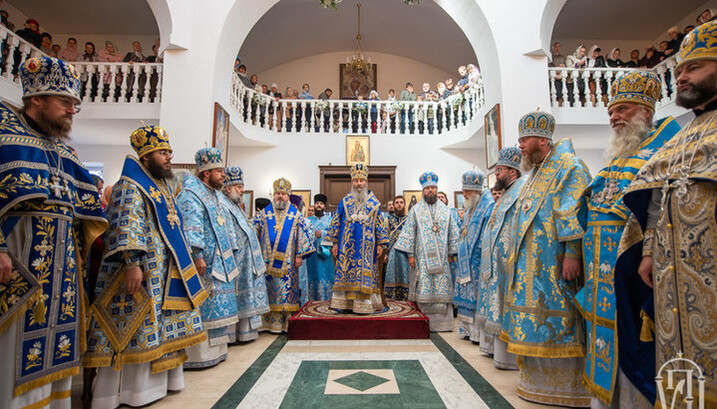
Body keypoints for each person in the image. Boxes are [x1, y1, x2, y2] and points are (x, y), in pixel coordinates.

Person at [617, 21, 717, 409]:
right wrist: (648, 252)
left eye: (694, 68)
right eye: (679, 72)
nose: (683, 77)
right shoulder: (685, 134)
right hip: (675, 283)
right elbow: (657, 201)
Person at [0, 56, 106, 409]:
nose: (72, 110)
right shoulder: (5, 136)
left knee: (58, 350)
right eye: (65, 103)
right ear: (36, 100)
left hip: (62, 276)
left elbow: (85, 214)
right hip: (19, 269)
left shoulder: (63, 151)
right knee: (13, 350)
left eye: (75, 104)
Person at [574, 72, 680, 409]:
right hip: (601, 274)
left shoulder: (663, 151)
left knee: (634, 338)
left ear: (646, 112)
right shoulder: (615, 159)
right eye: (611, 112)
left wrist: (649, 251)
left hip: (635, 267)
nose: (614, 117)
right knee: (607, 337)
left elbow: (660, 208)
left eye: (622, 109)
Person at [85, 126, 208, 408]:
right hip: (141, 270)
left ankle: (159, 385)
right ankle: (129, 391)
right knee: (139, 326)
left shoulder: (160, 185)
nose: (169, 157)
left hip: (162, 270)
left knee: (159, 326)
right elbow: (126, 224)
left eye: (169, 152)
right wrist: (132, 263)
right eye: (163, 152)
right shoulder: (131, 184)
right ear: (145, 156)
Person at [501, 111, 592, 406]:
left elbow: (572, 211)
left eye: (524, 140)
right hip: (531, 269)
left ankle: (566, 389)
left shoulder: (569, 166)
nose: (521, 145)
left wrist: (572, 253)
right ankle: (536, 383)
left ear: (542, 140)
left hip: (556, 265)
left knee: (560, 321)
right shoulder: (536, 172)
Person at [177, 147, 240, 368]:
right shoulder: (191, 194)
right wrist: (197, 254)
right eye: (219, 171)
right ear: (206, 173)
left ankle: (217, 351)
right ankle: (199, 355)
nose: (223, 175)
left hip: (220, 261)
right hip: (205, 262)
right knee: (204, 306)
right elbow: (191, 225)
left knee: (218, 306)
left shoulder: (212, 194)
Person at [475, 147, 523, 370]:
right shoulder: (505, 194)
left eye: (499, 170)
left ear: (512, 172)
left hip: (509, 262)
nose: (496, 174)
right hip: (496, 265)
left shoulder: (520, 190)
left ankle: (510, 358)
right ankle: (499, 354)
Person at [394, 172, 460, 331]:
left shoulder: (446, 210)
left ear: (437, 189)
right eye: (427, 188)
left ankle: (443, 324)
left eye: (433, 188)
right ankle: (424, 322)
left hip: (443, 259)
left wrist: (452, 253)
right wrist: (410, 254)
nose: (430, 191)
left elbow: (453, 232)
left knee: (441, 285)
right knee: (424, 286)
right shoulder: (416, 210)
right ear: (423, 190)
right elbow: (409, 232)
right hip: (421, 259)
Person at [327, 164, 389, 313]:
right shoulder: (344, 202)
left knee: (365, 274)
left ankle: (365, 305)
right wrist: (334, 243)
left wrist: (381, 244)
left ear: (366, 182)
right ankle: (345, 305)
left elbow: (380, 224)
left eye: (362, 180)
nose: (359, 184)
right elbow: (336, 222)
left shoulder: (374, 203)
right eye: (356, 181)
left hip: (368, 248)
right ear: (352, 182)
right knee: (346, 271)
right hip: (346, 247)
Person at [254, 178, 314, 332]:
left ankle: (285, 322)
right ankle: (267, 323)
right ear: (274, 195)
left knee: (286, 291)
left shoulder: (296, 215)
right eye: (278, 193)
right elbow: (254, 233)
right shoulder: (263, 213)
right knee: (268, 290)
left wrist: (299, 255)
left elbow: (303, 234)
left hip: (288, 263)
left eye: (283, 194)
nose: (280, 196)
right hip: (266, 261)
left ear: (288, 195)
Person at [221, 166, 270, 342]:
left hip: (245, 259)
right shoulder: (223, 205)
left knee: (245, 294)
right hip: (235, 258)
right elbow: (226, 231)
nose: (242, 190)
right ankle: (232, 334)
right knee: (236, 295)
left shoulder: (235, 206)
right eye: (239, 187)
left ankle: (244, 332)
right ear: (228, 188)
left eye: (242, 186)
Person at [454, 170, 494, 340]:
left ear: (476, 191)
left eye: (467, 192)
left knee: (476, 296)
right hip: (466, 260)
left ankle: (477, 335)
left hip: (478, 260)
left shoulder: (488, 206)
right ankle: (467, 331)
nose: (464, 195)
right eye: (463, 191)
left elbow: (489, 233)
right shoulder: (471, 208)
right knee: (466, 293)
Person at [306, 194, 335, 301]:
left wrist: (322, 233)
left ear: (324, 206)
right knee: (312, 274)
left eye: (321, 204)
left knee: (325, 276)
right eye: (317, 203)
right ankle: (311, 300)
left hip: (326, 255)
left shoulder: (330, 220)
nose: (319, 205)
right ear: (314, 206)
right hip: (311, 255)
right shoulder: (308, 220)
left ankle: (327, 299)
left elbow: (334, 234)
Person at [385, 195, 410, 300]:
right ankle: (391, 296)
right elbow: (385, 237)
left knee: (406, 274)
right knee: (392, 274)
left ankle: (406, 296)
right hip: (392, 253)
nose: (399, 205)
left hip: (406, 253)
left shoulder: (409, 219)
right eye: (397, 203)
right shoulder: (388, 220)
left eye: (401, 202)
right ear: (394, 205)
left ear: (404, 204)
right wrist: (385, 253)